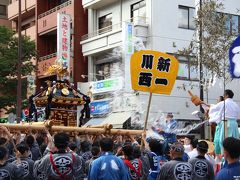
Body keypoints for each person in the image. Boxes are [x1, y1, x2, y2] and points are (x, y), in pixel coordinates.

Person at [208, 89, 240, 155]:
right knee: (235, 140)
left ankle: (224, 156)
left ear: (227, 95)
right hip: (234, 123)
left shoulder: (223, 103)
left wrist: (208, 107)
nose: (223, 96)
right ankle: (235, 155)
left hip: (226, 123)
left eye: (224, 95)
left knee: (223, 141)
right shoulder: (236, 105)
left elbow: (214, 109)